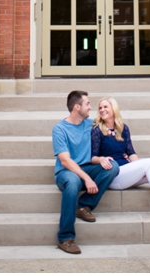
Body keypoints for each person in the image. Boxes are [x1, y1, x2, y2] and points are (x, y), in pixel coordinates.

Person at [52, 90, 120, 254]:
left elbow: (111, 132)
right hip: (66, 172)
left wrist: (122, 153)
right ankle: (65, 238)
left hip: (87, 167)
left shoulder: (91, 125)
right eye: (87, 104)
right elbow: (65, 161)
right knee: (74, 181)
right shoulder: (60, 129)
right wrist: (87, 179)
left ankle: (83, 206)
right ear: (77, 107)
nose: (91, 107)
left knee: (113, 167)